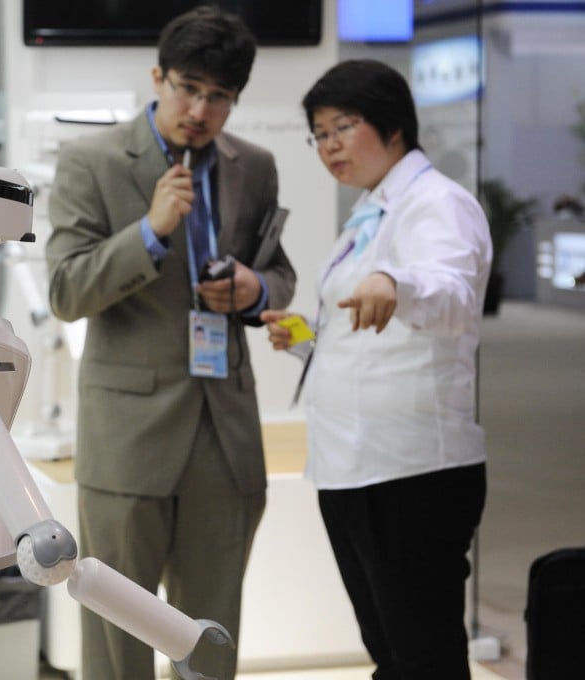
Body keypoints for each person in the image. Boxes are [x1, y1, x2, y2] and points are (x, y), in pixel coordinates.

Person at [45, 6, 296, 679]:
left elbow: (281, 273)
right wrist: (150, 233)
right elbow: (66, 291)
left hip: (226, 429)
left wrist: (252, 289)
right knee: (115, 632)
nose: (200, 108)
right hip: (128, 434)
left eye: (219, 96)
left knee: (212, 633)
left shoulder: (256, 166)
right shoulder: (91, 162)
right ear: (157, 76)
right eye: (188, 86)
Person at [261, 59, 492, 680]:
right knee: (390, 648)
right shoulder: (372, 210)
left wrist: (397, 280)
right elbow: (366, 333)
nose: (329, 145)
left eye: (344, 126)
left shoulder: (437, 204)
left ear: (393, 126)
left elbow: (449, 296)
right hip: (355, 466)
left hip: (413, 469)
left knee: (424, 653)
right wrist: (307, 338)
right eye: (320, 133)